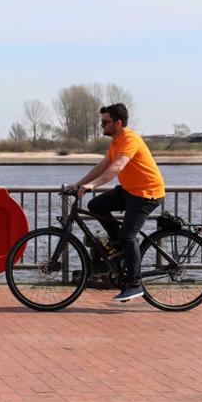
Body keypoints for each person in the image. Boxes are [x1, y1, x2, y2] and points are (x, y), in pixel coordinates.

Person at [73, 103, 166, 302]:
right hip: (129, 191)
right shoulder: (116, 141)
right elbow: (103, 166)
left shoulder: (130, 138)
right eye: (101, 122)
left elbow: (118, 166)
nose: (101, 126)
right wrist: (78, 185)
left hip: (146, 193)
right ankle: (121, 249)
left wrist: (93, 186)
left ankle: (134, 284)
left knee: (129, 236)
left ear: (118, 122)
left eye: (105, 122)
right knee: (96, 206)